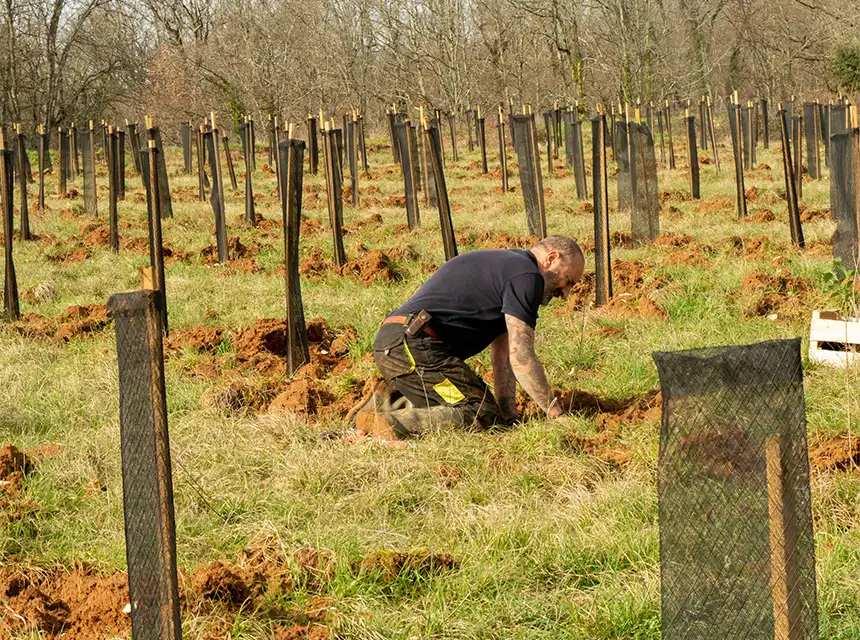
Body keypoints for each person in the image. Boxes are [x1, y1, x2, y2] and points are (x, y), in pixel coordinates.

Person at [353, 235, 585, 440]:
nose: (566, 293)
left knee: (470, 405)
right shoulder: (528, 277)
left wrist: (509, 416)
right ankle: (396, 425)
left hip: (397, 343)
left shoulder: (509, 267)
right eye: (568, 280)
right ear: (551, 259)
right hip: (415, 347)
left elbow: (503, 358)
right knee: (480, 411)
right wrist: (556, 413)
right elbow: (522, 355)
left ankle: (365, 423)